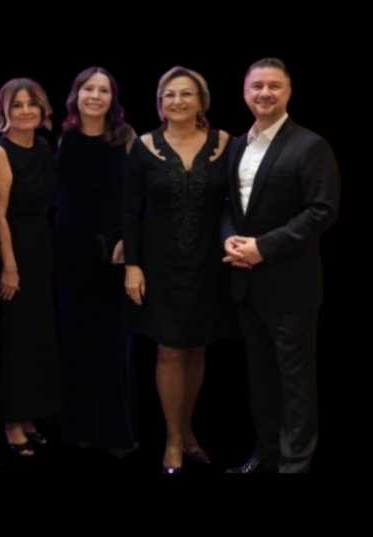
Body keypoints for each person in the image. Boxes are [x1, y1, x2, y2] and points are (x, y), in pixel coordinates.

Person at [223, 58, 340, 474]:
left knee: (295, 382)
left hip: (291, 285)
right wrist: (228, 239)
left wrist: (263, 248)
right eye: (257, 86)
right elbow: (228, 205)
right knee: (262, 380)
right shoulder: (237, 145)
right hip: (246, 285)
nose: (265, 93)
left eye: (274, 85)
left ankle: (295, 464)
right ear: (245, 92)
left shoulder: (310, 145)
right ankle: (266, 454)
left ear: (288, 92)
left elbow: (322, 211)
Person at [121, 66, 233, 473]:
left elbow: (235, 203)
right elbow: (129, 210)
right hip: (160, 264)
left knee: (197, 347)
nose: (177, 101)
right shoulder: (144, 146)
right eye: (169, 94)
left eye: (186, 94)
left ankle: (188, 430)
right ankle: (171, 438)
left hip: (209, 263)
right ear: (159, 103)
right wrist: (132, 266)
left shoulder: (226, 143)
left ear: (202, 101)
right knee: (169, 349)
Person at [53, 67, 139, 458]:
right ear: (77, 95)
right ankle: (79, 428)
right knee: (75, 339)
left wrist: (127, 241)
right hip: (69, 250)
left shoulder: (126, 138)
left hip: (112, 250)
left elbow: (134, 198)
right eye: (88, 88)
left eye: (103, 90)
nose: (95, 96)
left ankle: (116, 432)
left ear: (112, 99)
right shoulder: (64, 138)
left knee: (112, 340)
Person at [0, 78, 60, 458]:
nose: (25, 111)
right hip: (13, 250)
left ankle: (30, 413)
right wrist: (9, 265)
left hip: (41, 247)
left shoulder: (44, 148)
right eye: (17, 105)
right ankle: (12, 421)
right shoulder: (0, 152)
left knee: (36, 336)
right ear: (5, 112)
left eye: (31, 104)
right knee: (14, 338)